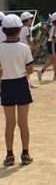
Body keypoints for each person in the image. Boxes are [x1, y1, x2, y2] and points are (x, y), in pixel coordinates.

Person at [0, 14, 34, 167]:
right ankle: (25, 153)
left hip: (6, 85)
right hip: (21, 83)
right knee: (23, 122)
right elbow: (30, 69)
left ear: (4, 30)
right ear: (20, 30)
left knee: (10, 123)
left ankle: (9, 154)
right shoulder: (24, 48)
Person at [37, 12, 56, 81]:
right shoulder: (54, 27)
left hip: (53, 44)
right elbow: (53, 38)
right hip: (51, 44)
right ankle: (55, 75)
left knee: (53, 60)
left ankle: (42, 72)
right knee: (55, 60)